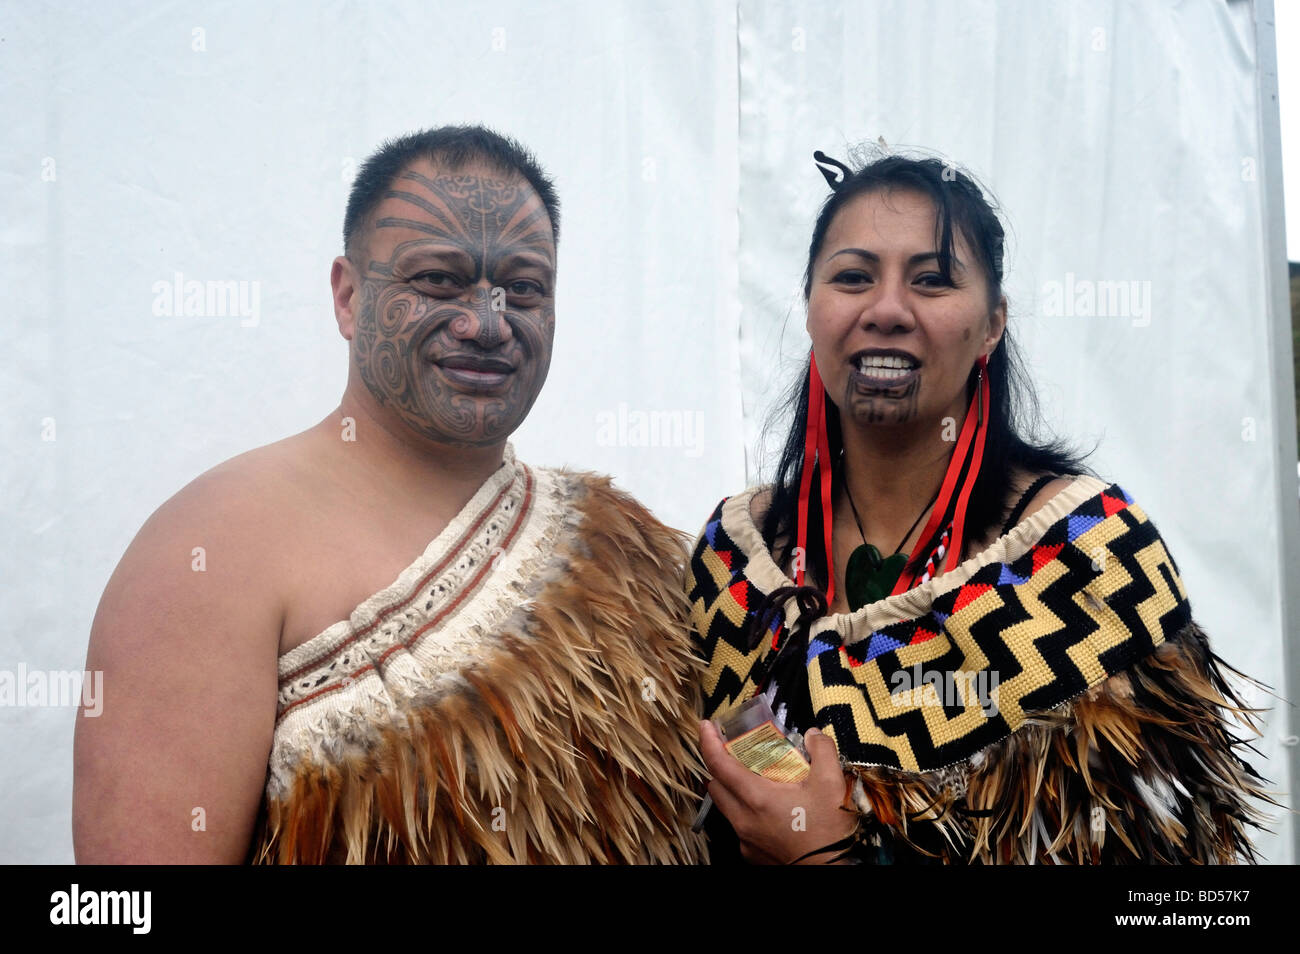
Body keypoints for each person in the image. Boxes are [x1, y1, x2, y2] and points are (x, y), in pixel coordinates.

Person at [73, 125, 707, 864]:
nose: (486, 323)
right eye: (438, 280)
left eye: (524, 288)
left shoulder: (627, 549)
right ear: (348, 296)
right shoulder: (210, 552)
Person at [688, 148, 1275, 864]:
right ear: (811, 309)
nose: (887, 310)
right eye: (852, 278)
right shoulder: (733, 559)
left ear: (992, 325)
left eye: (932, 281)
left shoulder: (1089, 563)